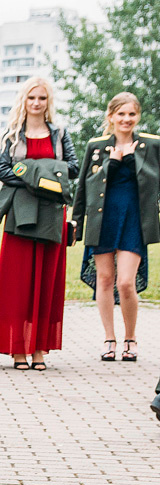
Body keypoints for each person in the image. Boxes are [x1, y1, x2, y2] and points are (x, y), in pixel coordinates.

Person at [0, 77, 78, 370]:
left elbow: (73, 169)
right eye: (31, 98)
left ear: (48, 102)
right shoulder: (12, 135)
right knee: (18, 282)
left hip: (52, 214)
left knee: (46, 281)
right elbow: (3, 171)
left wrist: (31, 172)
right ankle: (18, 349)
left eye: (42, 98)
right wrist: (42, 179)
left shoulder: (60, 134)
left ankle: (39, 348)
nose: (37, 103)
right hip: (20, 214)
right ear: (23, 101)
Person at [73, 92, 160, 363]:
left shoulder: (152, 144)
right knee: (105, 279)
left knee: (125, 282)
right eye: (120, 114)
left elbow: (153, 182)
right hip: (103, 218)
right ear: (110, 117)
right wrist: (77, 225)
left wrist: (132, 160)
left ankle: (130, 338)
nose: (126, 119)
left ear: (138, 116)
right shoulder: (97, 146)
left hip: (134, 218)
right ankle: (109, 339)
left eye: (131, 114)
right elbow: (85, 186)